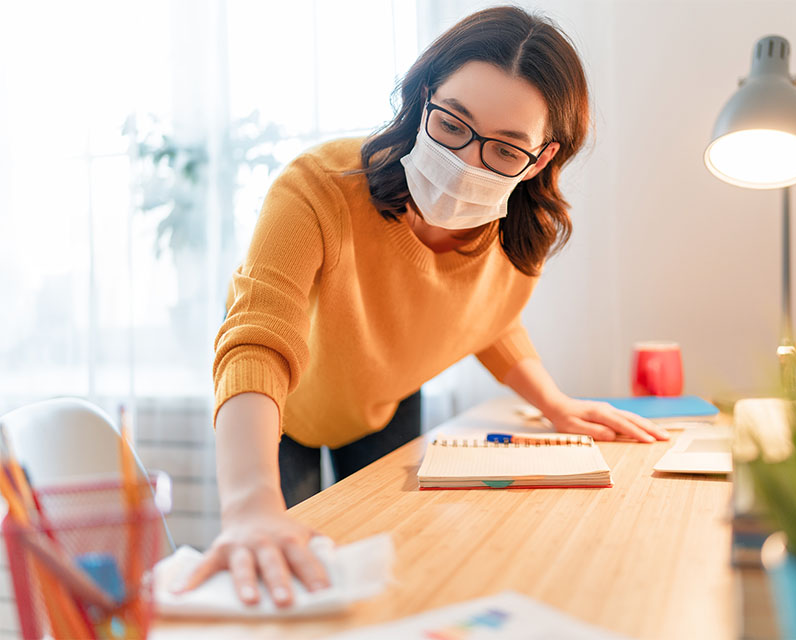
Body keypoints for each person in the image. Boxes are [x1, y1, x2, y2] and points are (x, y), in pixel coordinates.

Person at [174, 5, 668, 608]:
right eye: (453, 124)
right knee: (283, 576)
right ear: (424, 98)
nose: (466, 163)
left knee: (393, 569)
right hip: (279, 409)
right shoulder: (318, 188)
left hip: (384, 398)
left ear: (540, 159)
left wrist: (555, 404)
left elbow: (487, 316)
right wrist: (249, 507)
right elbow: (256, 338)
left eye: (507, 150)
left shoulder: (520, 236)